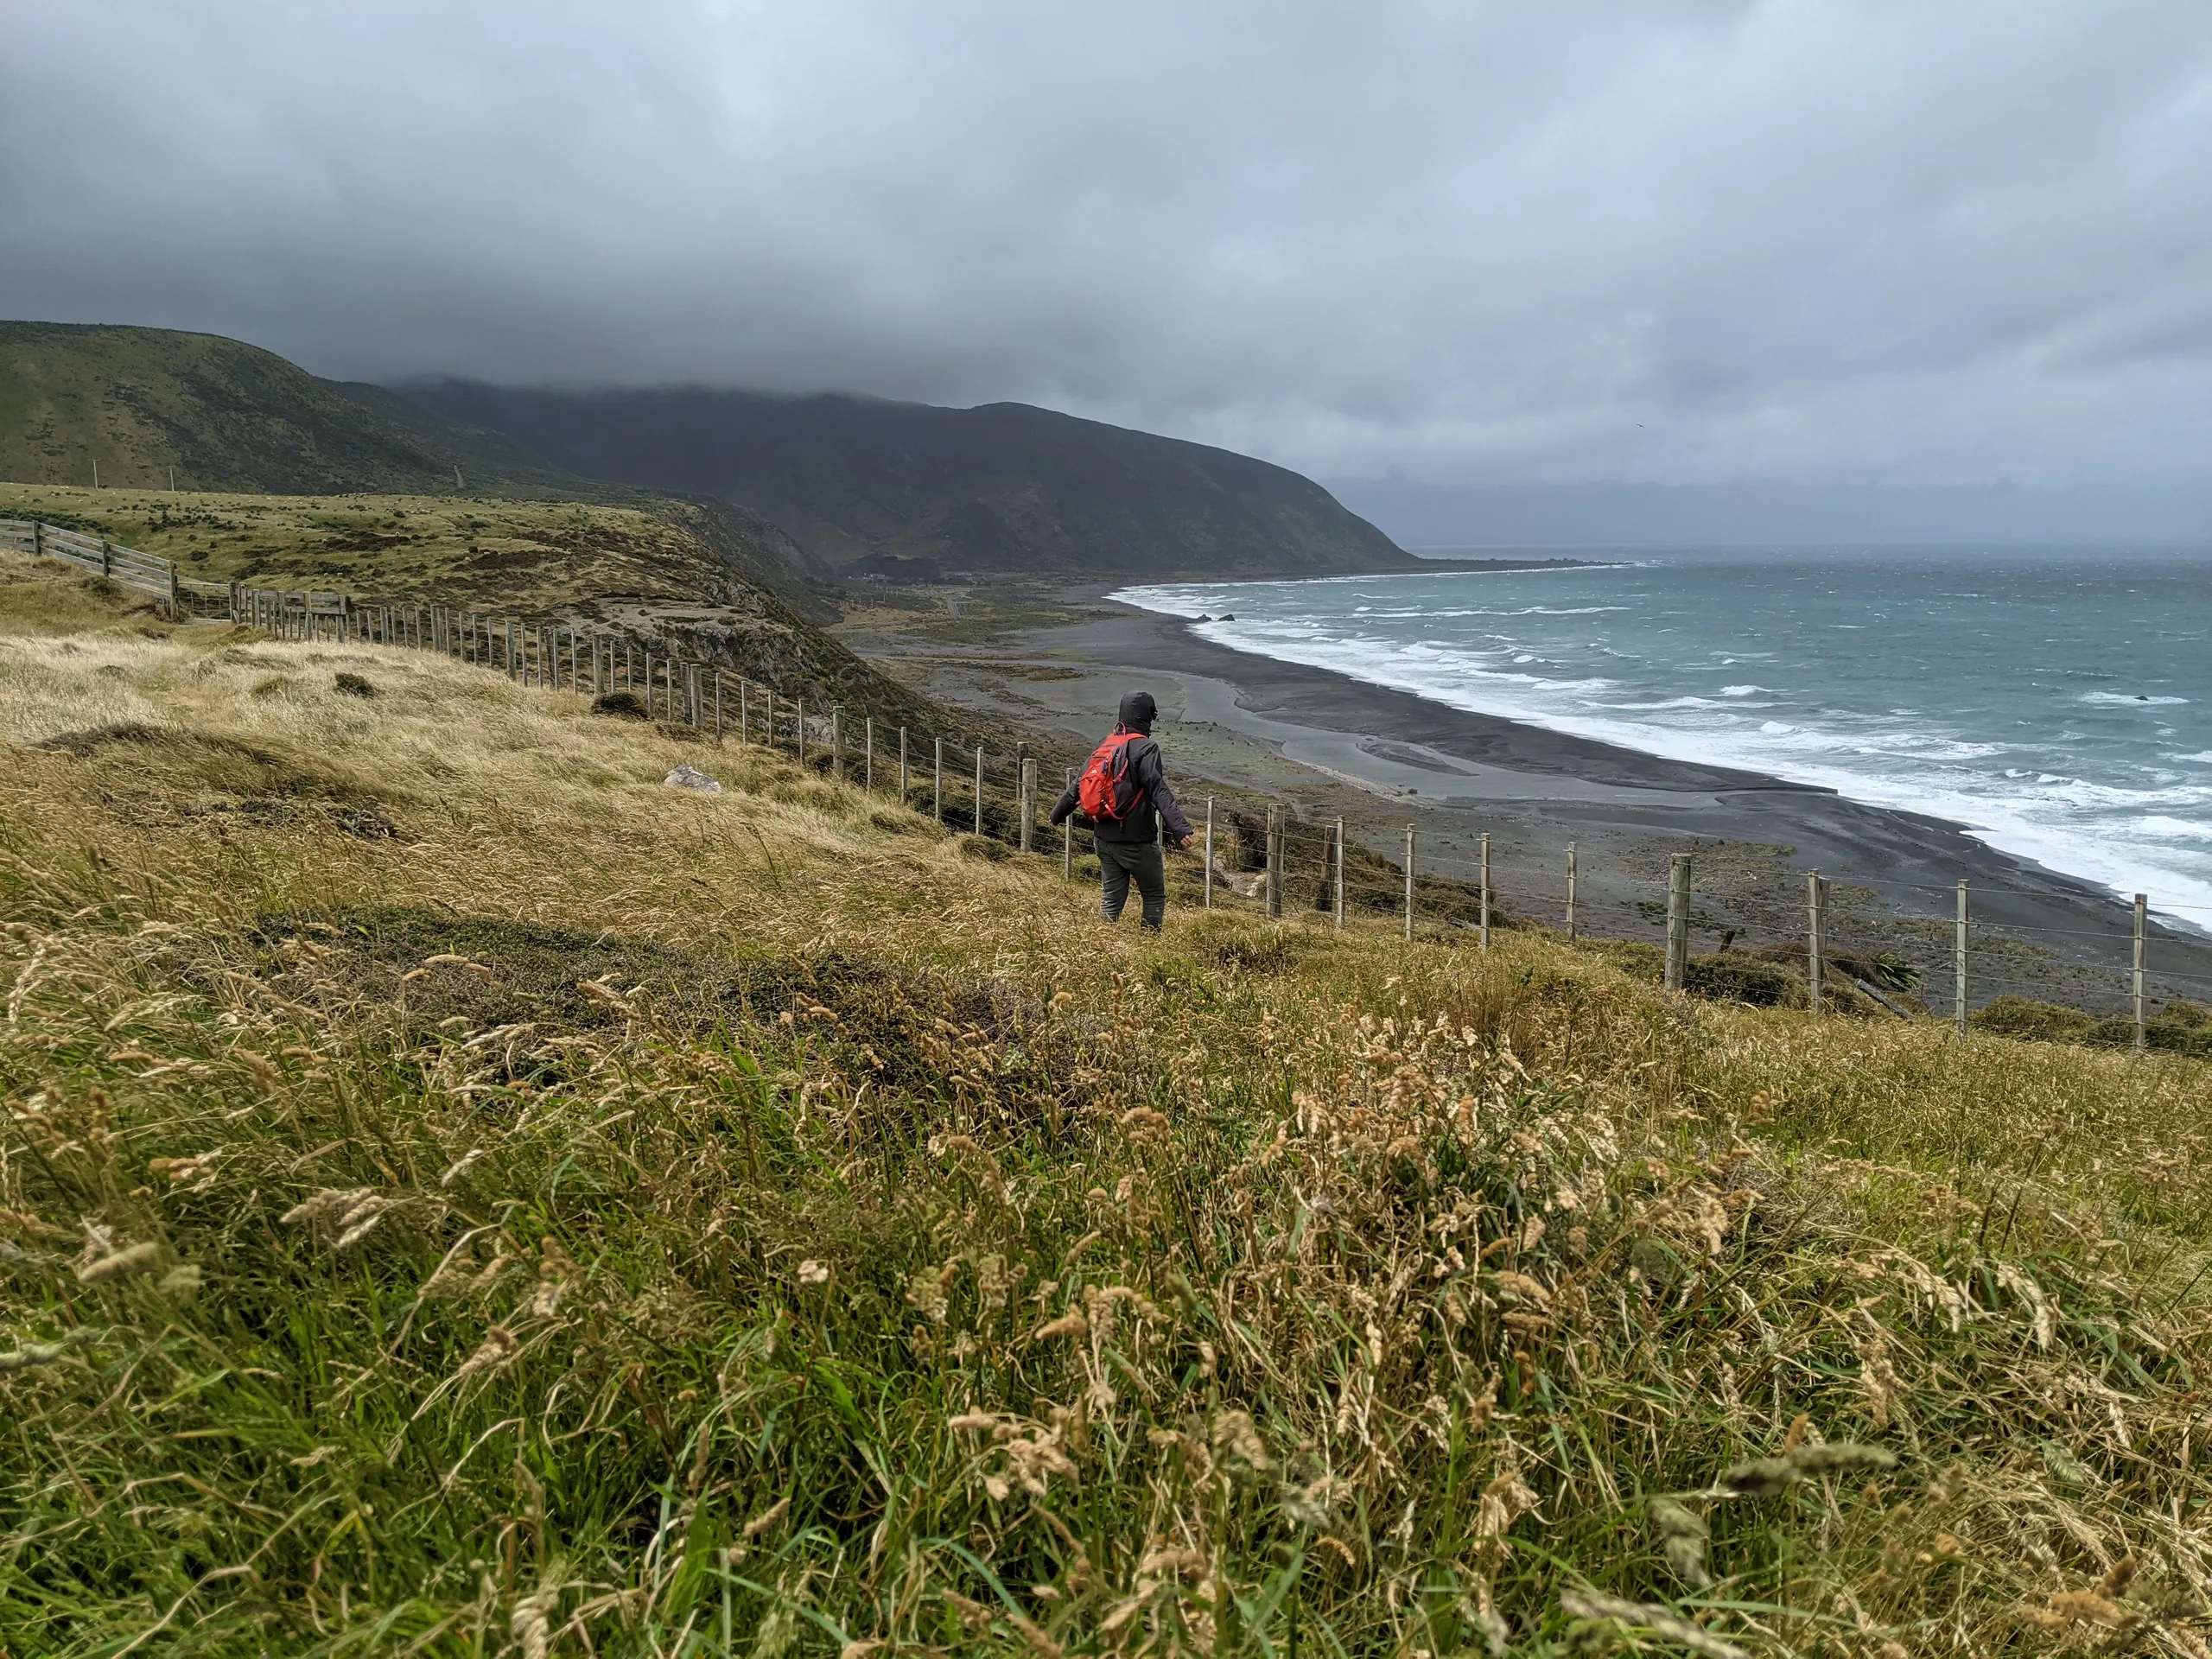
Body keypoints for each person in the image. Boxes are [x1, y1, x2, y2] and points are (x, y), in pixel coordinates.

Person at [1051, 690, 1194, 931]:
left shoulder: (1105, 746)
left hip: (1104, 840)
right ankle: (1149, 947)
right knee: (1153, 895)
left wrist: (1055, 816)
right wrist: (1180, 829)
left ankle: (1105, 943)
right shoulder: (1147, 748)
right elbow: (1158, 788)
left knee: (1111, 898)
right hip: (1137, 841)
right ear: (1146, 717)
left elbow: (1077, 788)